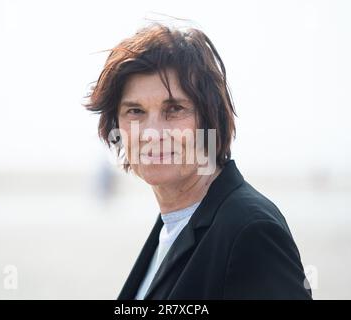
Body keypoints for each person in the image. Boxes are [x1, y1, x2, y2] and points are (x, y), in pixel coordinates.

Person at [83, 23, 312, 300]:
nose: (152, 133)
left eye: (174, 109)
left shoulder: (250, 232)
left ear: (210, 118)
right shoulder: (174, 224)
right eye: (135, 111)